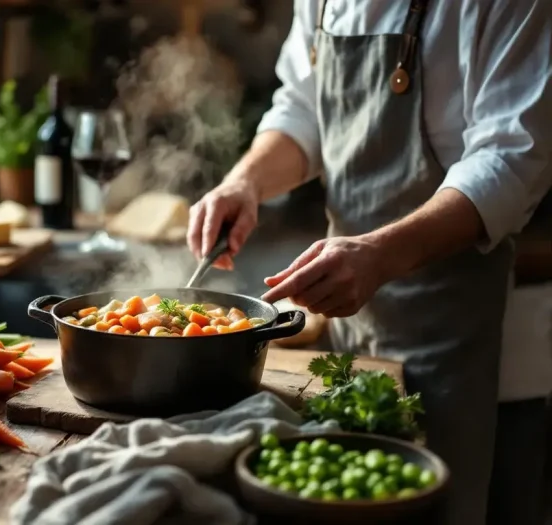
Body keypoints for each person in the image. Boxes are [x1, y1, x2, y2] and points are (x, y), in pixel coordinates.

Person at [186, 1, 552, 524]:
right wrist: (245, 181)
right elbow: (303, 108)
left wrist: (382, 253)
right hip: (347, 324)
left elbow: (511, 158)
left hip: (449, 325)